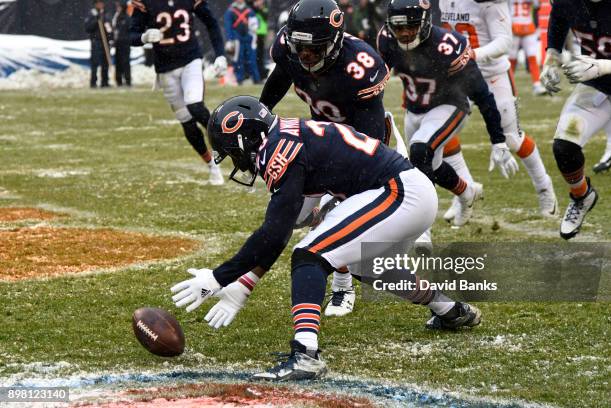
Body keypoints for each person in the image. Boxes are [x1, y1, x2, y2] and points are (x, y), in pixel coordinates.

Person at [170, 95, 482, 381]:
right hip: (405, 193)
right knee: (364, 267)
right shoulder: (287, 136)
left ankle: (305, 354)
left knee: (310, 254)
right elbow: (284, 226)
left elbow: (275, 235)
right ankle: (449, 310)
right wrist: (243, 284)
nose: (238, 162)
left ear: (248, 137)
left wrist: (219, 277)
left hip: (399, 193)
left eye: (234, 152)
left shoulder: (280, 150)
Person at [260, 0, 390, 318]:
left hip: (366, 146)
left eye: (313, 49)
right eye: (299, 47)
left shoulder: (359, 66)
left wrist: (341, 191)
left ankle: (343, 285)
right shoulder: (291, 51)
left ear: (334, 43)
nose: (304, 55)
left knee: (342, 217)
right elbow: (282, 74)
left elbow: (370, 138)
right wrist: (261, 114)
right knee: (296, 214)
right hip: (320, 140)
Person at [378, 0, 518, 231]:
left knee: (420, 149)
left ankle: (422, 230)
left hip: (449, 106)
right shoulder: (387, 39)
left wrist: (498, 140)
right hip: (414, 109)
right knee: (427, 164)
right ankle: (467, 193)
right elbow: (378, 79)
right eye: (398, 26)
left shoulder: (447, 45)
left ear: (424, 22)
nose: (404, 33)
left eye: (410, 26)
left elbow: (482, 95)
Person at [438, 0, 557, 221]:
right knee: (443, 135)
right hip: (459, 76)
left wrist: (473, 54)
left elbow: (504, 42)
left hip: (493, 74)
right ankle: (464, 192)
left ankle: (544, 187)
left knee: (512, 139)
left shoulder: (488, 2)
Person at [130, 0, 228, 185]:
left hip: (190, 60)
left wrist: (220, 54)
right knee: (187, 123)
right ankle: (212, 166)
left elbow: (211, 22)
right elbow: (130, 35)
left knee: (195, 106)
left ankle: (228, 142)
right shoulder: (144, 3)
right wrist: (143, 37)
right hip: (165, 69)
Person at [539, 0, 611, 239]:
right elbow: (558, 19)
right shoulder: (569, 2)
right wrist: (551, 58)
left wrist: (602, 65)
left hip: (598, 72)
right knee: (564, 146)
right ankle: (582, 196)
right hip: (597, 86)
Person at [509, 0, 547, 95]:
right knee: (512, 59)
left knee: (532, 57)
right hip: (513, 27)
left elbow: (537, 5)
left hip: (528, 27)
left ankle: (537, 84)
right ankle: (509, 86)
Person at [224, 0, 261, 84]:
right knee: (238, 60)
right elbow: (228, 26)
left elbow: (255, 24)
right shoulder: (230, 11)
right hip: (237, 39)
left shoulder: (249, 10)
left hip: (249, 38)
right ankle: (239, 79)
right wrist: (230, 39)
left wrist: (254, 34)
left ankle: (256, 79)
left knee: (252, 59)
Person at [85, 0, 112, 88]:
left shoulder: (106, 14)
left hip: (105, 41)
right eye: (99, 3)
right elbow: (88, 28)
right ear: (95, 4)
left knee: (105, 62)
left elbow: (109, 28)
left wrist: (110, 37)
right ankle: (93, 82)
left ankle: (105, 82)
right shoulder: (92, 14)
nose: (101, 5)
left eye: (102, 3)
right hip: (96, 41)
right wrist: (96, 20)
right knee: (95, 62)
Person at [112, 0, 131, 87]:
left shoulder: (126, 18)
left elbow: (128, 30)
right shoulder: (116, 16)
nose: (117, 8)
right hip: (118, 43)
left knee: (125, 62)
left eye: (119, 6)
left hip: (125, 43)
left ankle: (127, 80)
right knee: (118, 62)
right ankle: (118, 80)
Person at [251, 0, 269, 79]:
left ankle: (261, 74)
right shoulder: (253, 9)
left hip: (261, 35)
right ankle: (258, 74)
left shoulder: (264, 9)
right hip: (255, 34)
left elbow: (264, 15)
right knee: (256, 55)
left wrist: (257, 6)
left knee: (260, 55)